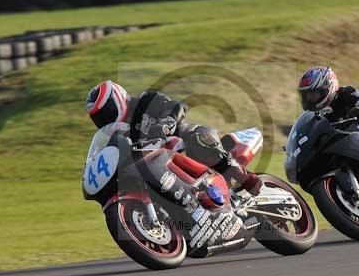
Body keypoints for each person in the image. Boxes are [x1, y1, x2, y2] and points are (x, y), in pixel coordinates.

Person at [86, 80, 262, 195]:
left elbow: (177, 106)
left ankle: (244, 177)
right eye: (99, 118)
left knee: (197, 139)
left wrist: (166, 124)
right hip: (162, 167)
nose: (105, 119)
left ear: (117, 98)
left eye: (107, 112)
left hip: (186, 139)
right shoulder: (119, 135)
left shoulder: (144, 101)